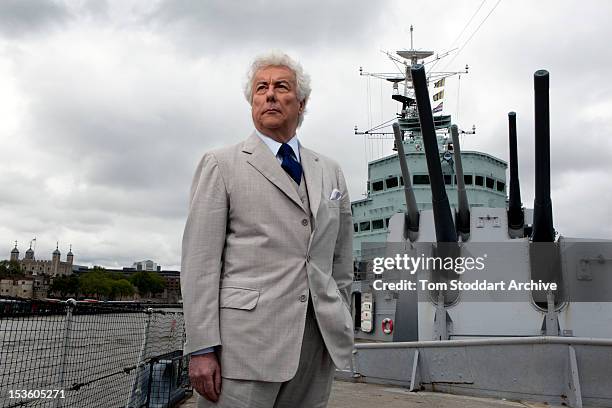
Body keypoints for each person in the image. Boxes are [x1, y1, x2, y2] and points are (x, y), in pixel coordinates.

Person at [180, 51, 354, 408]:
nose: (270, 94)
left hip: (315, 344)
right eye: (261, 88)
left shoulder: (331, 170)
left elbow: (341, 259)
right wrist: (200, 348)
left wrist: (341, 316)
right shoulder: (221, 165)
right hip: (243, 349)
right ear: (252, 102)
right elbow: (200, 264)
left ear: (301, 102)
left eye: (281, 87)